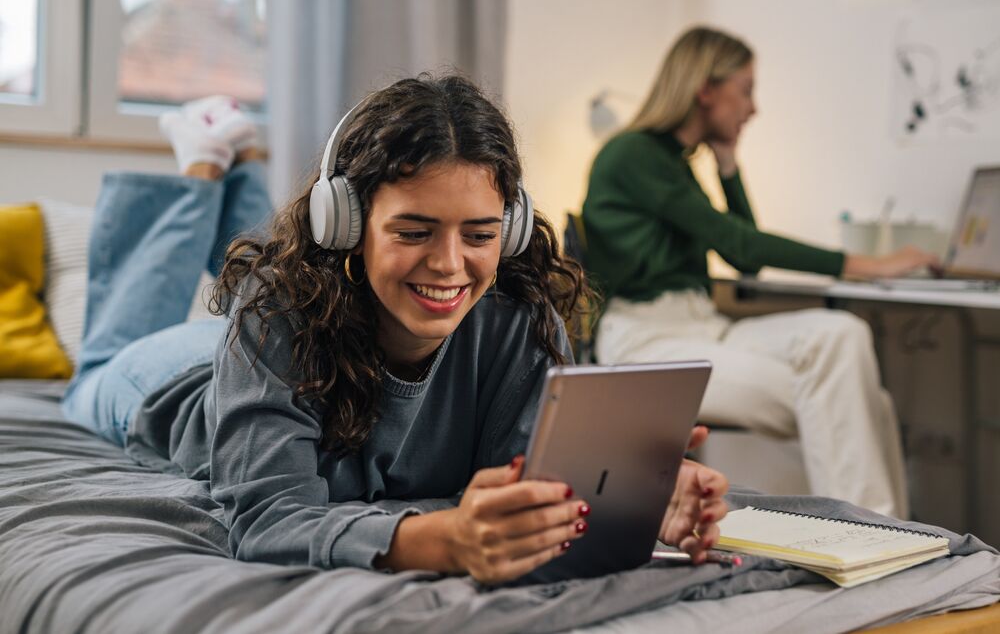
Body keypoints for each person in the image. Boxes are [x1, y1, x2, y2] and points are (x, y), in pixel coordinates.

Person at [60, 75, 729, 585]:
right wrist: (441, 541)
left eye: (480, 234)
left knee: (258, 272)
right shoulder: (276, 312)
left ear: (512, 228)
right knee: (98, 362)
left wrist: (637, 499)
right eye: (414, 231)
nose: (449, 264)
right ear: (344, 225)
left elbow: (523, 486)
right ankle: (205, 161)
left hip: (255, 343)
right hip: (175, 382)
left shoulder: (519, 318)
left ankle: (229, 163)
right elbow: (269, 518)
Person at [582, 27, 941, 519]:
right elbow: (742, 243)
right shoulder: (632, 155)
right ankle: (873, 533)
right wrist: (869, 265)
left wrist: (728, 162)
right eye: (746, 89)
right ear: (706, 89)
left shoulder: (676, 162)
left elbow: (744, 258)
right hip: (647, 343)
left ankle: (881, 532)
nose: (753, 107)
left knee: (844, 336)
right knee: (854, 403)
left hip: (704, 328)